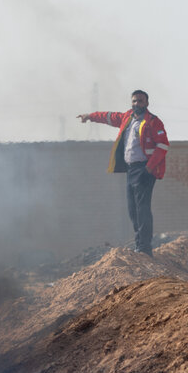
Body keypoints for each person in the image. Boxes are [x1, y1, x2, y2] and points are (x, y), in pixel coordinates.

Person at [77, 90, 170, 256]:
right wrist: (89, 116)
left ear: (147, 103)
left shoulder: (153, 122)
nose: (137, 104)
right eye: (134, 101)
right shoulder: (127, 118)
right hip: (131, 169)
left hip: (145, 169)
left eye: (140, 101)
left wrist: (149, 168)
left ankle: (145, 248)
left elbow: (163, 146)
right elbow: (108, 116)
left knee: (142, 209)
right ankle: (139, 245)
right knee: (132, 209)